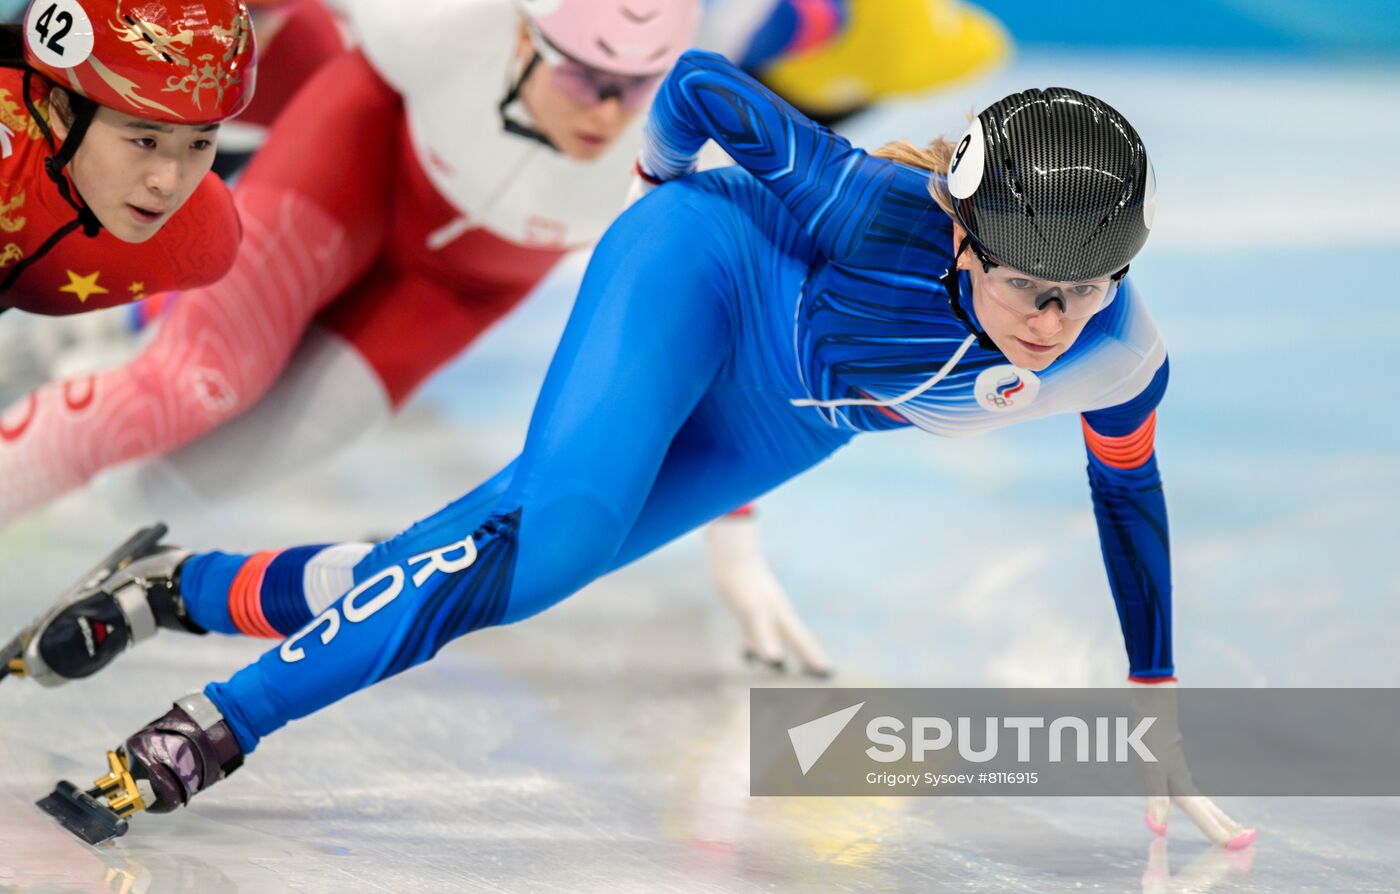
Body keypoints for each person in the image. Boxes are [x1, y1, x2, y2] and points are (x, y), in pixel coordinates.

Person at [16, 47, 1257, 847]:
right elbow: (701, 87)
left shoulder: (1114, 352)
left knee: (492, 563)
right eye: (1036, 291)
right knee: (548, 536)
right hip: (696, 272)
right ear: (963, 242)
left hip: (790, 418)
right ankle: (210, 728)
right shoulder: (864, 207)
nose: (1059, 327)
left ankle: (174, 587)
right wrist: (654, 185)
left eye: (1095, 289)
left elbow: (1127, 499)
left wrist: (1152, 699)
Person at [0, 0, 255, 315]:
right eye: (145, 141)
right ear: (63, 113)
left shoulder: (201, 239)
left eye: (200, 143)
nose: (168, 184)